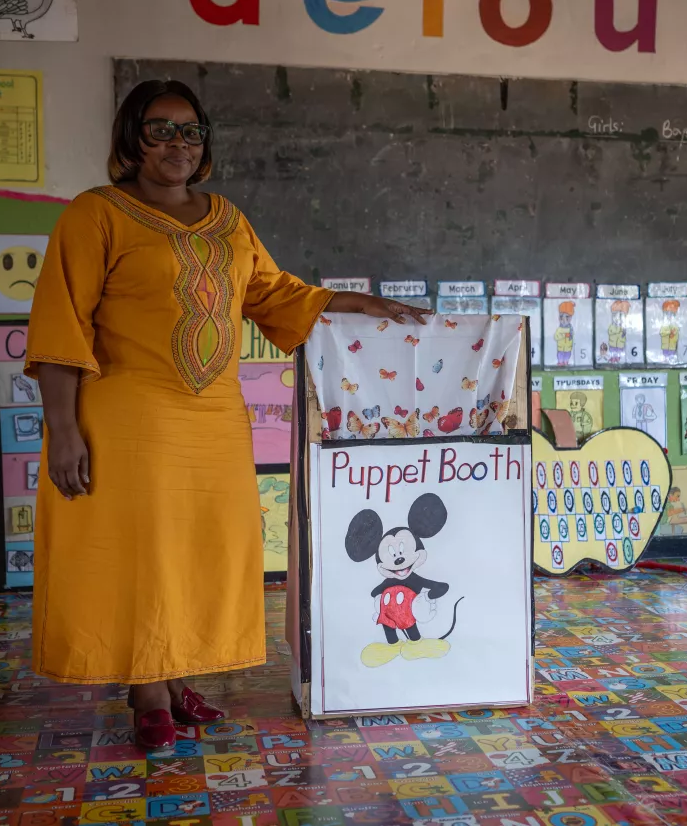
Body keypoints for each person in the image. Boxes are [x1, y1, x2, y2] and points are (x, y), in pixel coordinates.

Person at [23, 80, 429, 751]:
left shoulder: (227, 219)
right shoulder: (95, 214)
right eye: (160, 130)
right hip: (129, 415)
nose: (177, 145)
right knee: (144, 552)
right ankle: (146, 689)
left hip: (212, 418)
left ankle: (176, 674)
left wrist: (358, 304)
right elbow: (61, 325)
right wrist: (62, 429)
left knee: (200, 548)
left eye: (190, 131)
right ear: (131, 139)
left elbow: (277, 295)